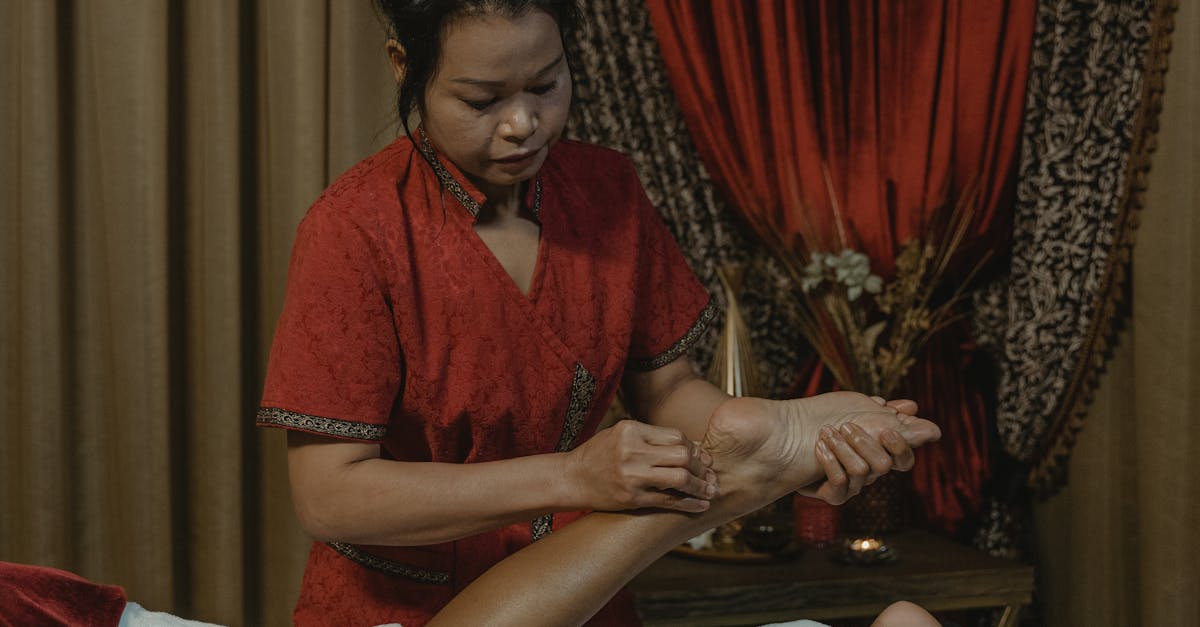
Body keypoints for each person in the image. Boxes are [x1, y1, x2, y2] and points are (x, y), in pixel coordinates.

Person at [256, 1, 939, 625]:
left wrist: (779, 448)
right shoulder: (356, 228)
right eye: (482, 99)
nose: (523, 123)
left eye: (546, 85)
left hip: (584, 585)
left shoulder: (607, 190)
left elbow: (666, 388)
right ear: (406, 66)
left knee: (902, 614)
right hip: (403, 608)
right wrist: (573, 476)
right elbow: (328, 496)